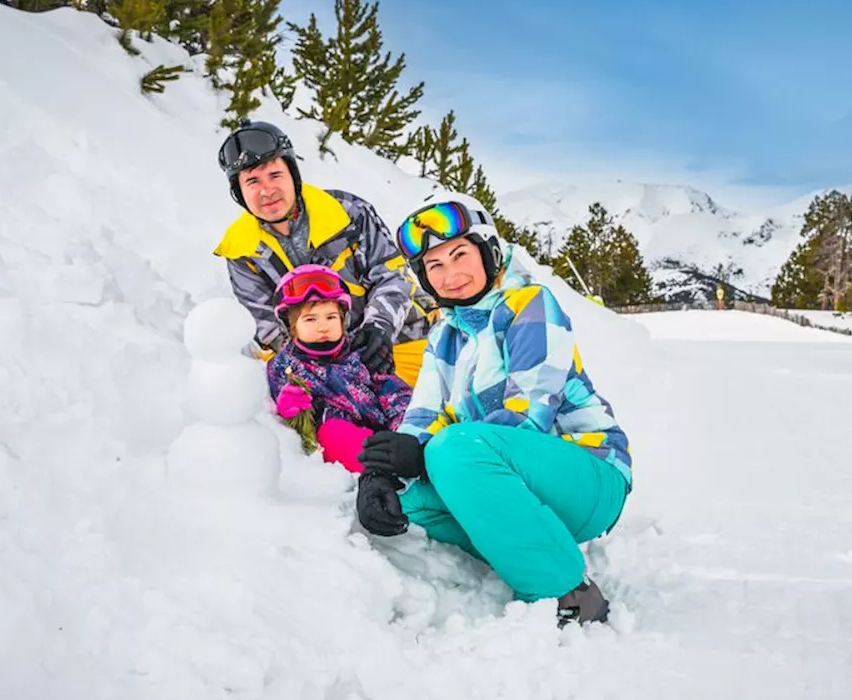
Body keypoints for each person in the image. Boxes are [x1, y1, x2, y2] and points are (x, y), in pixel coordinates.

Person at [355, 192, 633, 628]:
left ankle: (567, 592)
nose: (451, 275)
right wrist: (381, 475)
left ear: (488, 252)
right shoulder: (445, 336)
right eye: (435, 266)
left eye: (460, 254)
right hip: (510, 482)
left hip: (590, 477)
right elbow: (423, 415)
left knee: (452, 450)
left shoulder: (530, 305)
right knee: (407, 502)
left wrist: (427, 458)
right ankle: (526, 546)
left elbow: (528, 414)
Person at [212, 118, 436, 386]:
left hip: (399, 339)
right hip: (317, 360)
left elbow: (392, 276)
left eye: (275, 175)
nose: (267, 190)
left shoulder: (348, 212)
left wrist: (379, 329)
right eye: (252, 182)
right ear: (239, 192)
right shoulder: (240, 250)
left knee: (430, 411)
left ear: (293, 174)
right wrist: (316, 364)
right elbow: (265, 324)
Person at [264, 264, 412, 472]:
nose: (322, 326)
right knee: (333, 434)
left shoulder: (362, 352)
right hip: (341, 440)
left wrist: (403, 426)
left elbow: (395, 392)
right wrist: (289, 408)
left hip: (384, 432)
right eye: (310, 319)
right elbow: (284, 410)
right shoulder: (285, 366)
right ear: (291, 326)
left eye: (331, 317)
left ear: (343, 319)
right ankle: (380, 472)